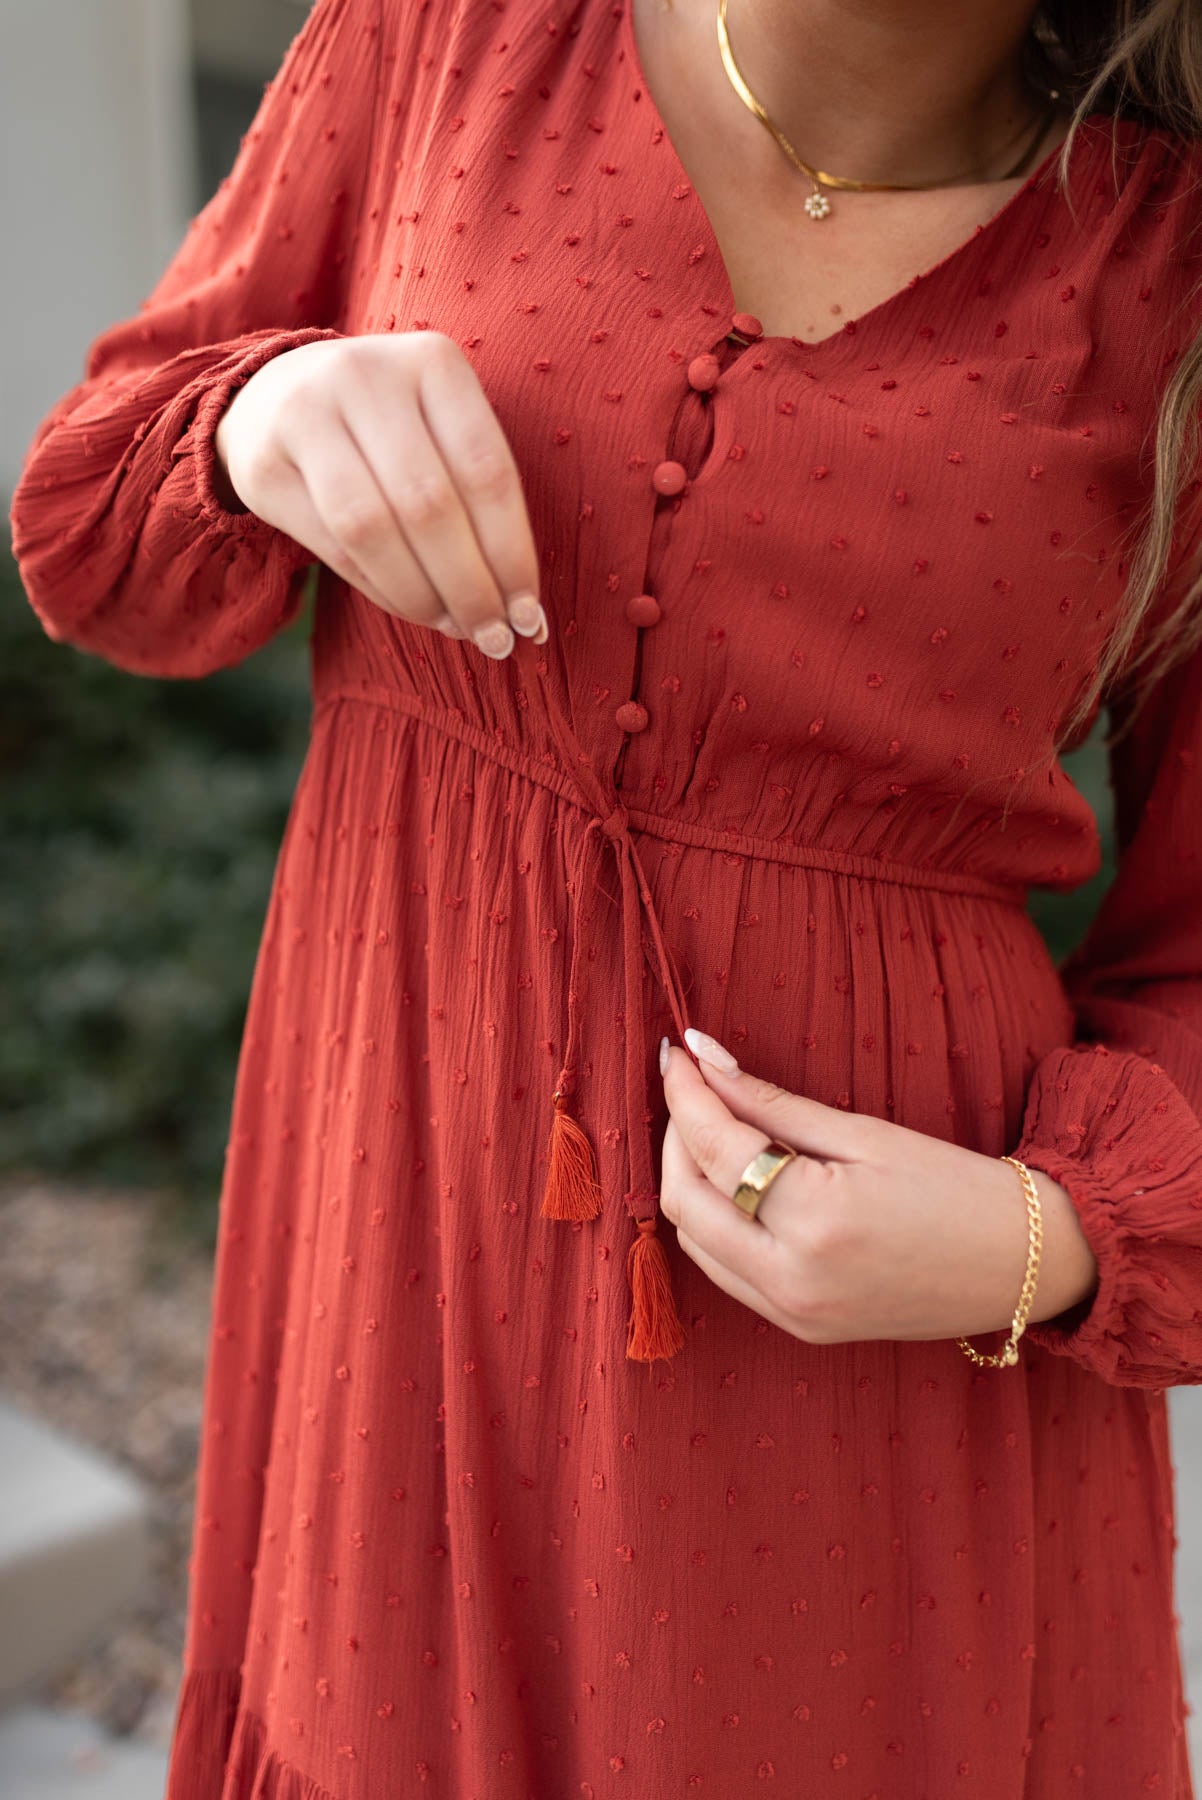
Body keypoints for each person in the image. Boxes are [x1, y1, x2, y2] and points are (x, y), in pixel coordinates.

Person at [10, 0, 1202, 1791]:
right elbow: (99, 533)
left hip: (871, 1408)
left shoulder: (1171, 266)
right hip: (397, 1282)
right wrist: (256, 419)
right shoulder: (454, 33)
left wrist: (1044, 1239)